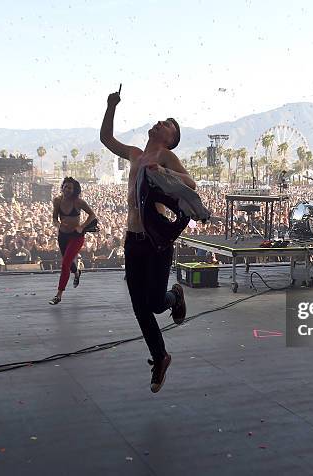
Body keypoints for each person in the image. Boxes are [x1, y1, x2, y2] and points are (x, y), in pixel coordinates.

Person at [100, 88, 195, 393]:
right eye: (162, 121)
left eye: (168, 124)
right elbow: (106, 139)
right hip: (133, 237)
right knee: (139, 305)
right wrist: (110, 106)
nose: (160, 123)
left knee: (155, 303)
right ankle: (160, 356)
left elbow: (191, 183)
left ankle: (174, 297)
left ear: (170, 139)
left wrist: (164, 171)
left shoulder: (165, 156)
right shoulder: (134, 154)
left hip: (156, 239)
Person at [49, 177, 97, 305]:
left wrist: (82, 226)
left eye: (70, 187)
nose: (67, 189)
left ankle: (58, 295)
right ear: (62, 187)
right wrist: (58, 225)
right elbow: (54, 218)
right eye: (65, 186)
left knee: (65, 264)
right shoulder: (57, 201)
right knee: (68, 262)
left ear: (74, 190)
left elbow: (92, 215)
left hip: (76, 236)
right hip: (63, 236)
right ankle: (76, 273)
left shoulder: (79, 202)